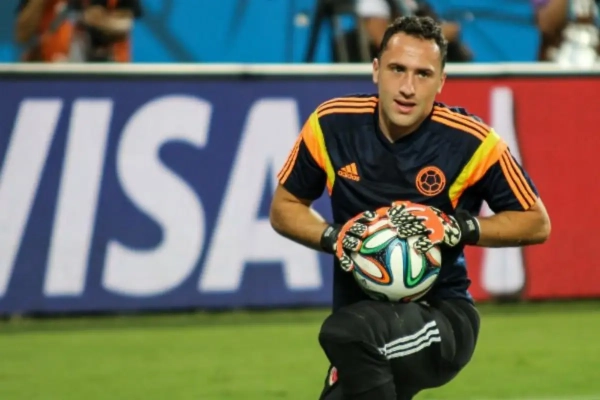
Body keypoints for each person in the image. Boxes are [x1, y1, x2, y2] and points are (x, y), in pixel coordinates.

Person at [269, 15, 551, 400]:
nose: (407, 87)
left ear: (441, 82)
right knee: (348, 337)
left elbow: (536, 222)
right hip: (364, 321)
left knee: (344, 332)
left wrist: (459, 228)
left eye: (423, 74)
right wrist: (334, 237)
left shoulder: (470, 141)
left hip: (442, 319)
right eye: (397, 69)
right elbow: (284, 207)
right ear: (375, 70)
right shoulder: (331, 125)